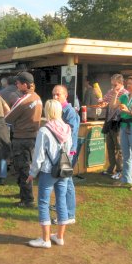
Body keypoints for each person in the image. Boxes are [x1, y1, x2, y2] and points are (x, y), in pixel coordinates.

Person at [26, 100, 72, 248]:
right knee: (61, 201)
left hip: (48, 171)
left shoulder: (44, 130)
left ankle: (45, 239)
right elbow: (69, 150)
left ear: (47, 111)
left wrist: (32, 173)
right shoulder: (67, 128)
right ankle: (59, 237)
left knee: (44, 203)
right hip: (63, 170)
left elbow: (38, 156)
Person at [5, 71, 43, 207]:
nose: (16, 85)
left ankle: (27, 199)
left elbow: (7, 119)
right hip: (33, 138)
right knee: (28, 167)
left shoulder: (23, 100)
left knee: (22, 169)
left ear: (25, 84)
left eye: (18, 83)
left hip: (21, 139)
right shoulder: (37, 98)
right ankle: (24, 194)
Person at [52, 85, 79, 224]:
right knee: (64, 181)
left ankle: (69, 214)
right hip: (62, 151)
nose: (55, 97)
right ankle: (63, 208)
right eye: (53, 94)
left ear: (65, 96)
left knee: (66, 182)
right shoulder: (59, 110)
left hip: (67, 152)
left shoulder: (69, 111)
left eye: (58, 94)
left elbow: (70, 132)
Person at [100, 74, 129, 179]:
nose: (113, 87)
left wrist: (115, 94)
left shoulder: (125, 94)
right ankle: (111, 168)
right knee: (110, 146)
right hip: (109, 122)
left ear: (121, 83)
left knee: (119, 148)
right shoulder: (110, 91)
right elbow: (104, 102)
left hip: (119, 123)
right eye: (112, 84)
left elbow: (121, 108)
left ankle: (120, 170)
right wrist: (101, 102)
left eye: (115, 84)